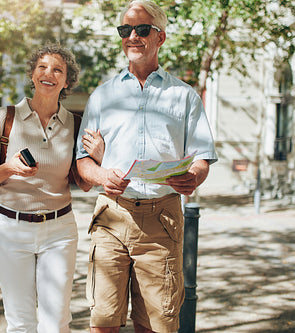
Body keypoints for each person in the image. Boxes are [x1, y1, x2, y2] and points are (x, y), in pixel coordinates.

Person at [75, 1, 218, 332]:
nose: (133, 37)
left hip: (162, 219)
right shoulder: (101, 97)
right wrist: (100, 175)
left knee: (156, 325)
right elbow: (82, 162)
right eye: (126, 30)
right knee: (103, 321)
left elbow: (202, 156)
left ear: (161, 38)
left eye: (142, 30)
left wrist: (194, 176)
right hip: (111, 214)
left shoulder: (185, 97)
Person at [0, 44, 103, 333]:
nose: (49, 74)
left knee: (56, 323)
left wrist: (100, 158)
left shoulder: (75, 124)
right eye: (42, 67)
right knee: (20, 321)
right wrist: (10, 168)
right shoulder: (5, 118)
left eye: (58, 70)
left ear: (67, 82)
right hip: (10, 229)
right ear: (32, 74)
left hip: (59, 232)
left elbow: (84, 183)